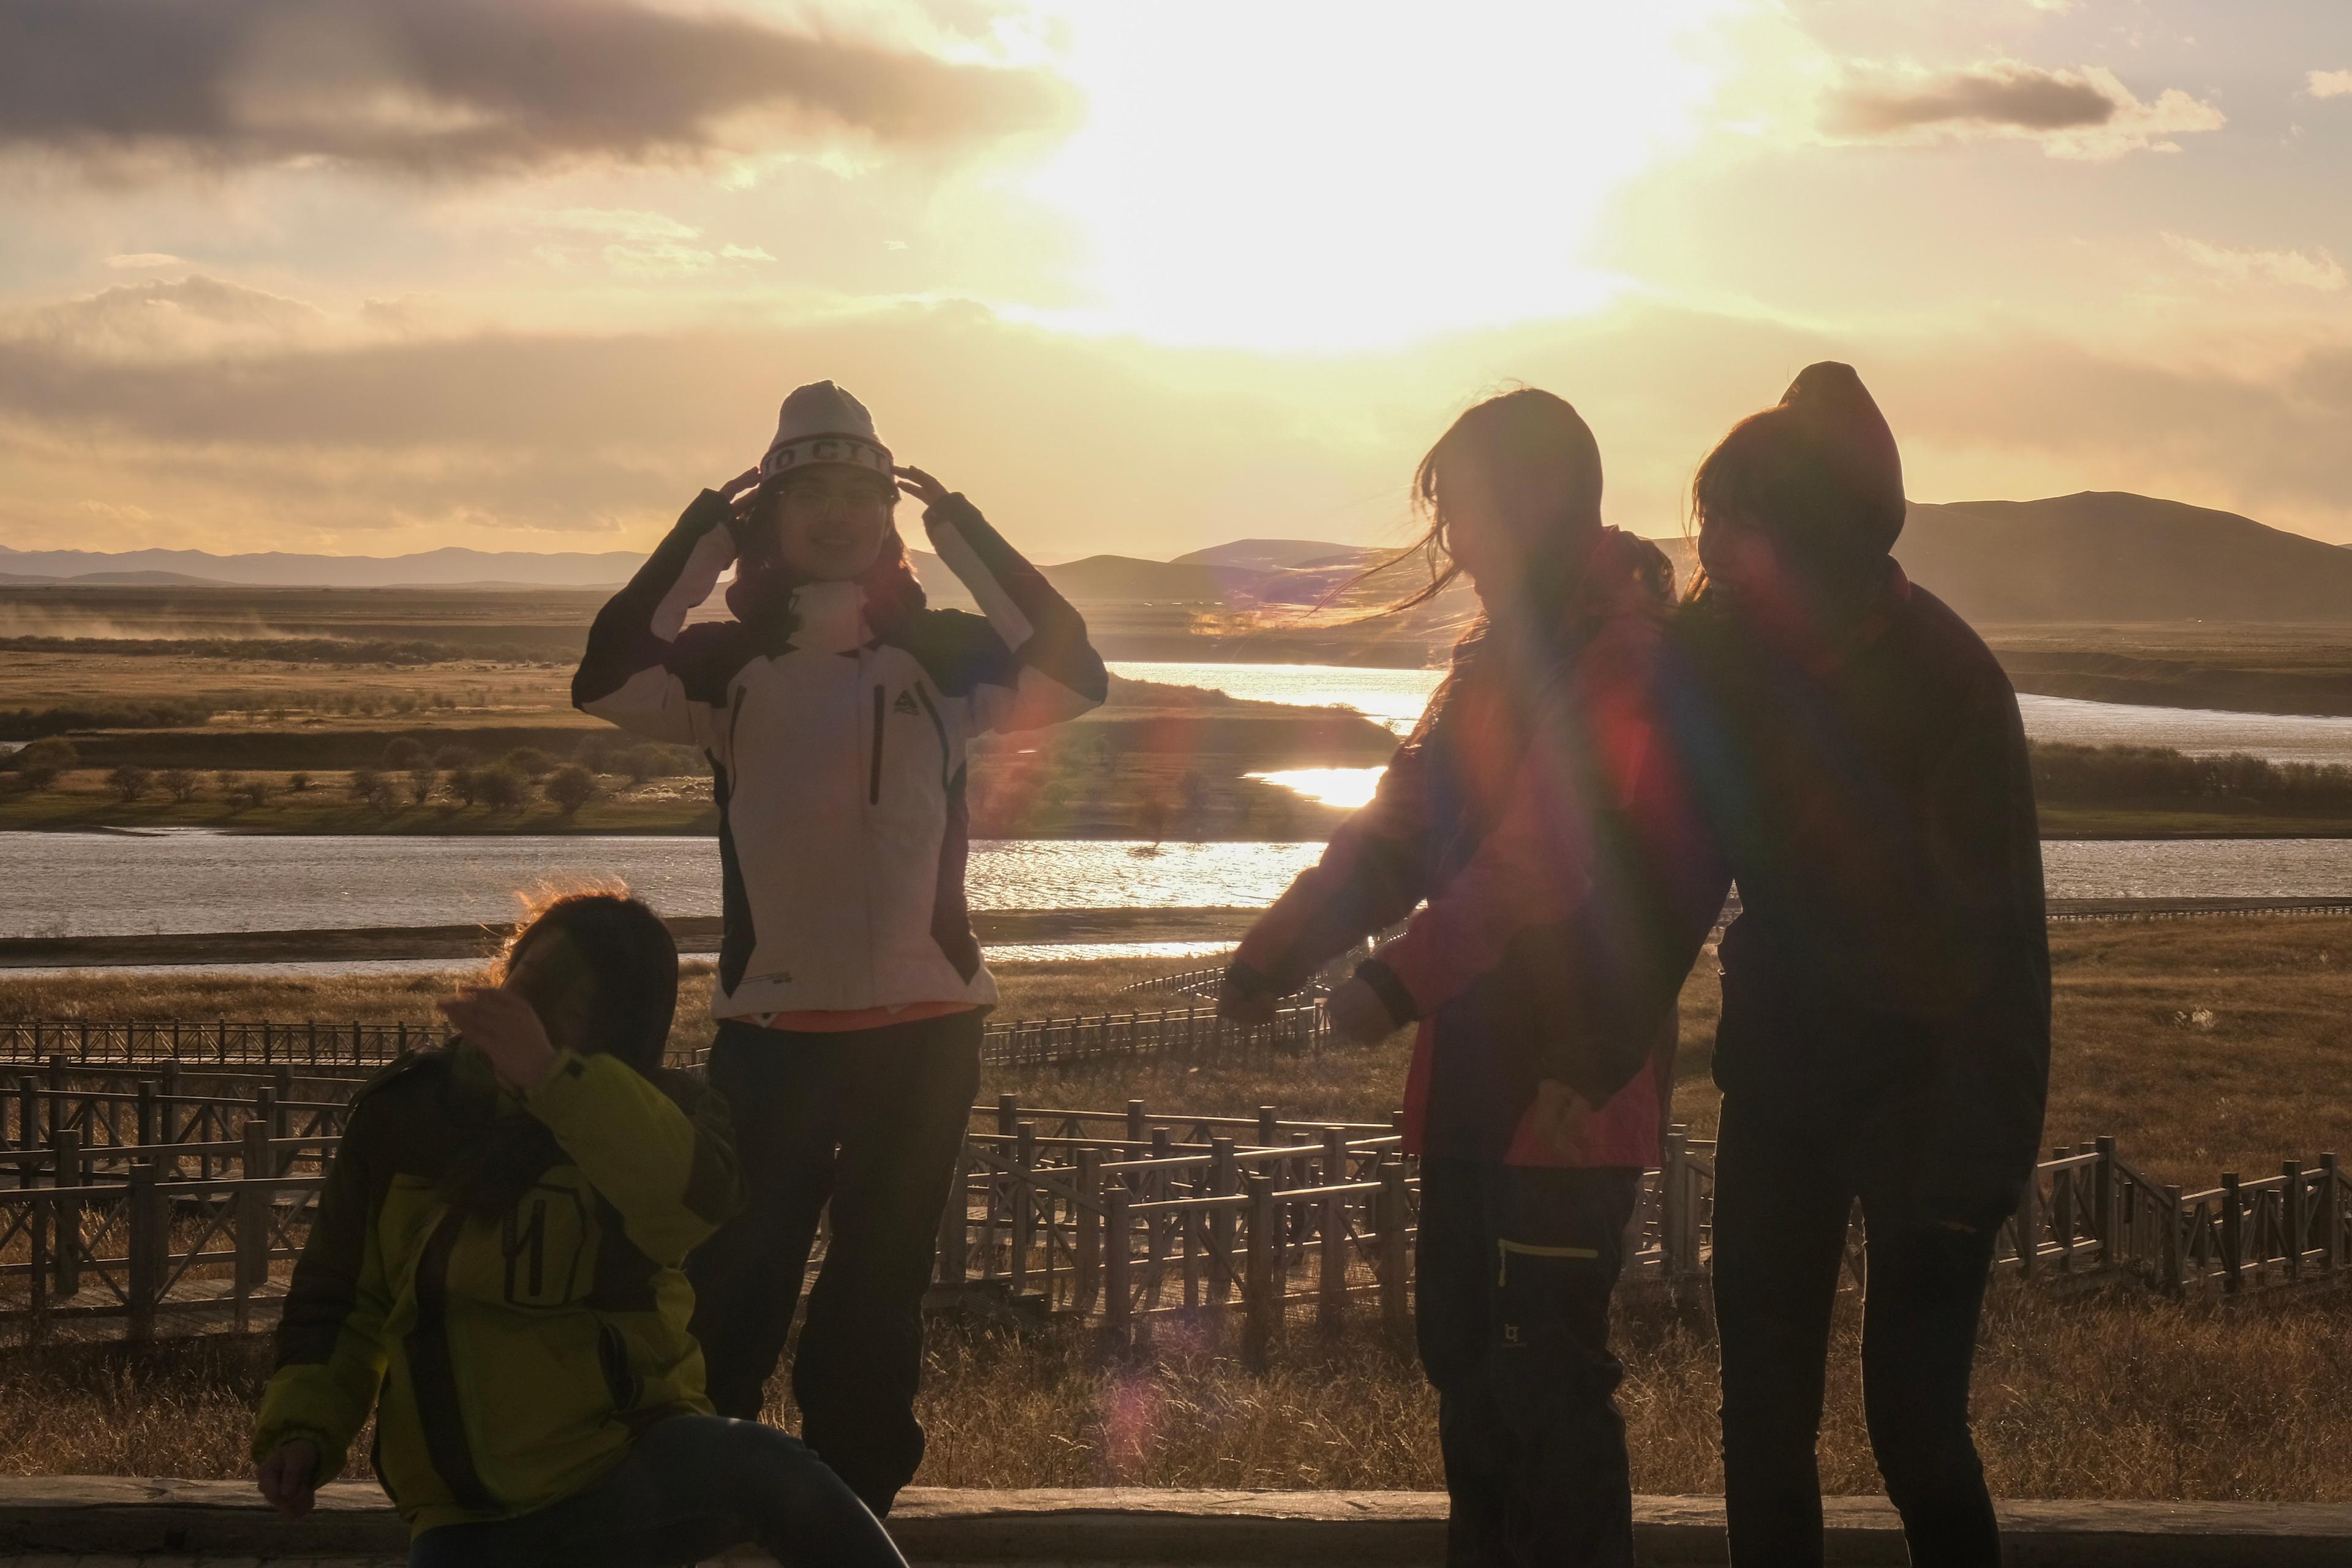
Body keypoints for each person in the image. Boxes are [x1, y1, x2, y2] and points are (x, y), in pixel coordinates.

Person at [571, 380, 1107, 1514]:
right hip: (774, 1032)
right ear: (768, 516)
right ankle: (712, 1498)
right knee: (738, 1276)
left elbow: (1074, 671)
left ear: (888, 514)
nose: (833, 513)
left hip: (930, 1031)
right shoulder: (727, 665)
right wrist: (699, 532)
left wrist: (960, 523)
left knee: (881, 1282)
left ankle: (854, 1507)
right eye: (805, 491)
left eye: (857, 492)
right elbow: (607, 676)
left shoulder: (946, 658)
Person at [1219, 390, 1726, 1568]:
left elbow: (1545, 859)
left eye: (1463, 512)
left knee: (1546, 1374)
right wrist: (1275, 955)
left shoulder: (1620, 659)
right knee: (1465, 1359)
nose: (1453, 545)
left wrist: (1393, 987)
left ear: (1535, 505)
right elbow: (1394, 837)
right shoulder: (1500, 665)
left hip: (1566, 1082)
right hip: (1473, 1084)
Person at [1673, 364, 2051, 1568]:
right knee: (1762, 1424)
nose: (1711, 542)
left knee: (1916, 1428)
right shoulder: (1721, 652)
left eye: (1738, 516)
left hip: (1927, 1103)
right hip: (1779, 1085)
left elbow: (2002, 947)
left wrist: (1976, 1165)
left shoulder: (1950, 680)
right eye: (1705, 516)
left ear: (1810, 529)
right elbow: (1653, 844)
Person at [249, 892, 907, 1568]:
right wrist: (303, 1430)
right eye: (524, 984)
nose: (527, 1012)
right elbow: (340, 1300)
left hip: (634, 1467)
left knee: (777, 1472)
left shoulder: (665, 1114)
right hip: (470, 1509)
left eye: (565, 1006)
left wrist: (551, 1081)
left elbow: (689, 1206)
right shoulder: (408, 1113)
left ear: (619, 1028)